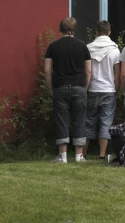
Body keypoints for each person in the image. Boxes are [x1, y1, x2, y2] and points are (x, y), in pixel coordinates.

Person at [44, 16, 91, 164]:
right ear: (74, 29)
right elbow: (89, 71)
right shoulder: (83, 46)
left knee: (61, 119)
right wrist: (85, 87)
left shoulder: (53, 46)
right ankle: (78, 155)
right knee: (79, 120)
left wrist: (51, 88)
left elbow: (46, 70)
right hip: (79, 86)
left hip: (60, 86)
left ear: (60, 29)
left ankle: (62, 156)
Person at [83, 20, 121, 160]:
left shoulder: (88, 48)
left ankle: (84, 153)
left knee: (89, 121)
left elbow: (86, 71)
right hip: (108, 89)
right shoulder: (115, 50)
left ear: (96, 32)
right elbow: (117, 74)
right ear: (109, 33)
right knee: (106, 122)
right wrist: (117, 90)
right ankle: (102, 155)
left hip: (92, 89)